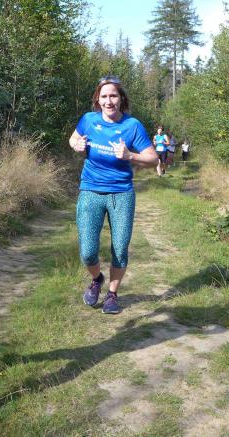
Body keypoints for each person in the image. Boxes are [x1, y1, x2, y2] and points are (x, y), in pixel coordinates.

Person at [69, 76, 158, 314]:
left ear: (121, 99)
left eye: (113, 96)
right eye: (104, 96)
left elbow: (153, 159)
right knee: (88, 250)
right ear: (97, 99)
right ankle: (97, 279)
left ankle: (112, 294)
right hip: (90, 190)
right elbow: (73, 138)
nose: (109, 101)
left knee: (120, 247)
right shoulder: (88, 120)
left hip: (121, 193)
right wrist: (76, 145)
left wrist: (131, 156)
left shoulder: (132, 126)